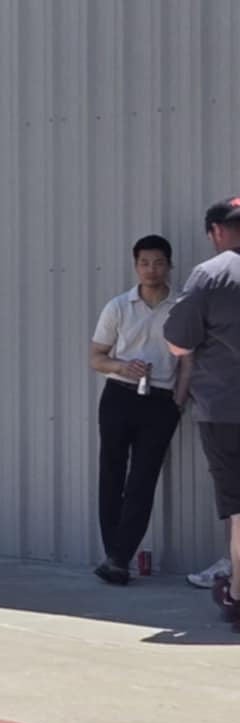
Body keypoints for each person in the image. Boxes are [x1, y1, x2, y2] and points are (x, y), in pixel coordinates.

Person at [89, 234, 187, 585]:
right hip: (119, 395)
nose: (151, 269)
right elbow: (95, 357)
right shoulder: (118, 307)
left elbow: (189, 360)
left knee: (142, 480)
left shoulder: (182, 306)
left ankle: (119, 557)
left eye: (158, 263)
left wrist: (178, 401)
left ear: (169, 265)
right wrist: (121, 366)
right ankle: (115, 557)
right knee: (111, 474)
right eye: (144, 263)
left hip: (161, 400)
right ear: (135, 266)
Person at [164, 197, 240, 612]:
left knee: (238, 504)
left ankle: (238, 594)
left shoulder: (211, 274)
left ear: (217, 231)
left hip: (226, 409)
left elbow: (178, 340)